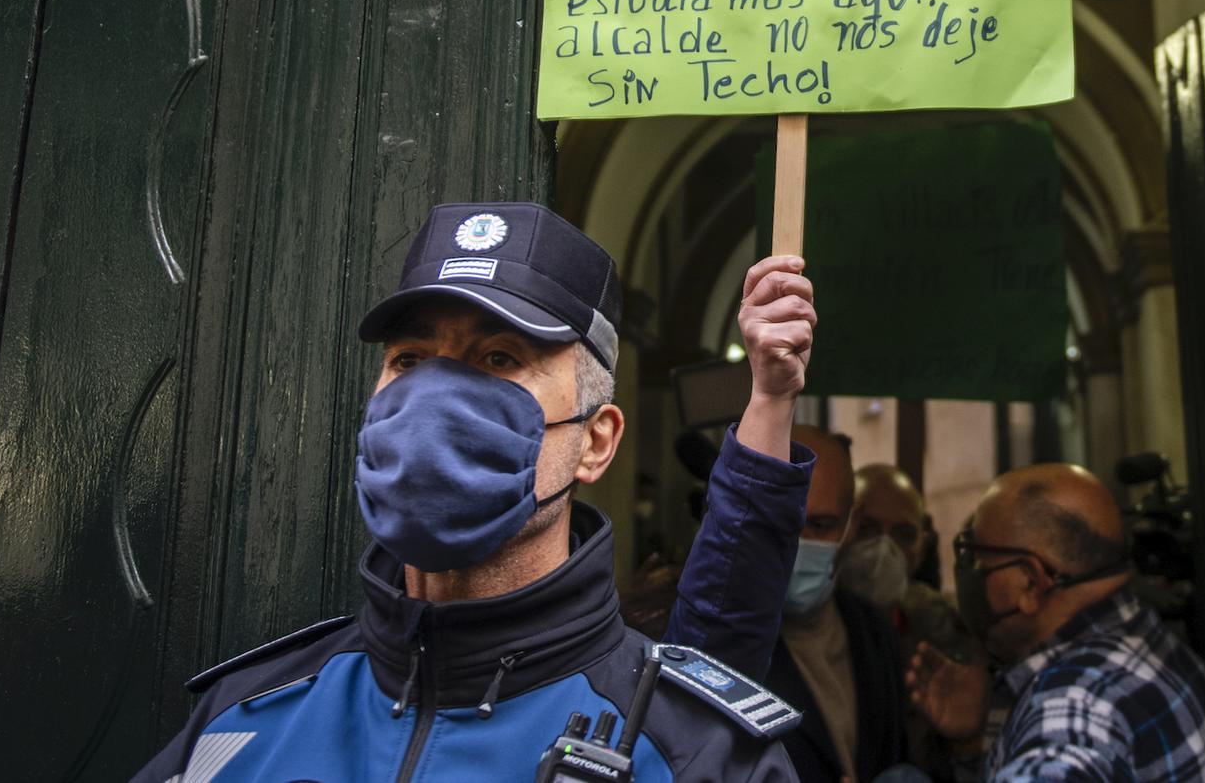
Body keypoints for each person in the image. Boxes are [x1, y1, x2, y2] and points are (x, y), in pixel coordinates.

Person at [135, 202, 820, 781]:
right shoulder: (243, 720)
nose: (436, 397)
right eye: (409, 361)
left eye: (499, 359)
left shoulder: (691, 750)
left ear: (596, 441)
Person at [907, 463, 1205, 781]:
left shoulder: (1075, 707)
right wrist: (972, 745)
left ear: (1030, 582)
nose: (972, 578)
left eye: (980, 562)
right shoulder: (1150, 642)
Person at [768, 427, 910, 783]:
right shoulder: (714, 640)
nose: (799, 543)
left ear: (853, 522)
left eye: (821, 525)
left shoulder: (875, 634)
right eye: (786, 523)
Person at [845, 464, 974, 779]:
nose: (883, 548)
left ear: (922, 544)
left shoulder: (943, 634)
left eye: (903, 534)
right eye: (866, 528)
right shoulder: (809, 632)